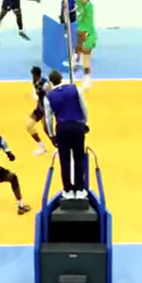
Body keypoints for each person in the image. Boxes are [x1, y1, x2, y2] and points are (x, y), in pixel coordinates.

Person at [44, 69, 89, 199]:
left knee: (64, 160)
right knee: (78, 157)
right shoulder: (74, 89)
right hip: (77, 126)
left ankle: (68, 190)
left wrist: (51, 135)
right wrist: (85, 123)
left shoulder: (49, 97)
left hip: (62, 128)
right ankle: (79, 189)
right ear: (61, 78)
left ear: (51, 82)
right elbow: (83, 106)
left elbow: (48, 118)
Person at [69, 0, 97, 90]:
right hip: (81, 31)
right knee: (81, 52)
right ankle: (78, 63)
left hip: (88, 33)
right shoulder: (80, 5)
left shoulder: (88, 6)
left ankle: (87, 78)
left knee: (85, 56)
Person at [26, 66, 51, 155]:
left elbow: (51, 95)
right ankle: (41, 147)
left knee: (47, 130)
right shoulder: (35, 82)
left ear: (35, 75)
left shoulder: (45, 84)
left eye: (32, 74)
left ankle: (59, 147)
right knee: (29, 125)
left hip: (46, 109)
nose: (32, 76)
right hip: (39, 108)